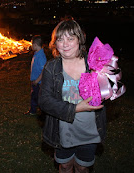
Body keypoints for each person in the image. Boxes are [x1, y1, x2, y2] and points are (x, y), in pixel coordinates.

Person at [39, 18, 106, 173]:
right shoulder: (52, 67)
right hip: (63, 133)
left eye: (70, 38)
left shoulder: (93, 64)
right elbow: (45, 101)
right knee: (65, 166)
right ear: (55, 43)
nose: (65, 44)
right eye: (60, 39)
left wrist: (110, 83)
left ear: (79, 40)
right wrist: (75, 108)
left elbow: (108, 89)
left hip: (89, 131)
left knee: (83, 167)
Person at [24, 35, 47, 115]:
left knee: (37, 97)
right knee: (34, 95)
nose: (31, 46)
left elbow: (44, 70)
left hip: (38, 83)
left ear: (35, 45)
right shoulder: (36, 54)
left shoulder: (41, 56)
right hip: (35, 81)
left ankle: (40, 112)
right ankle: (33, 110)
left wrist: (37, 80)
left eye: (31, 44)